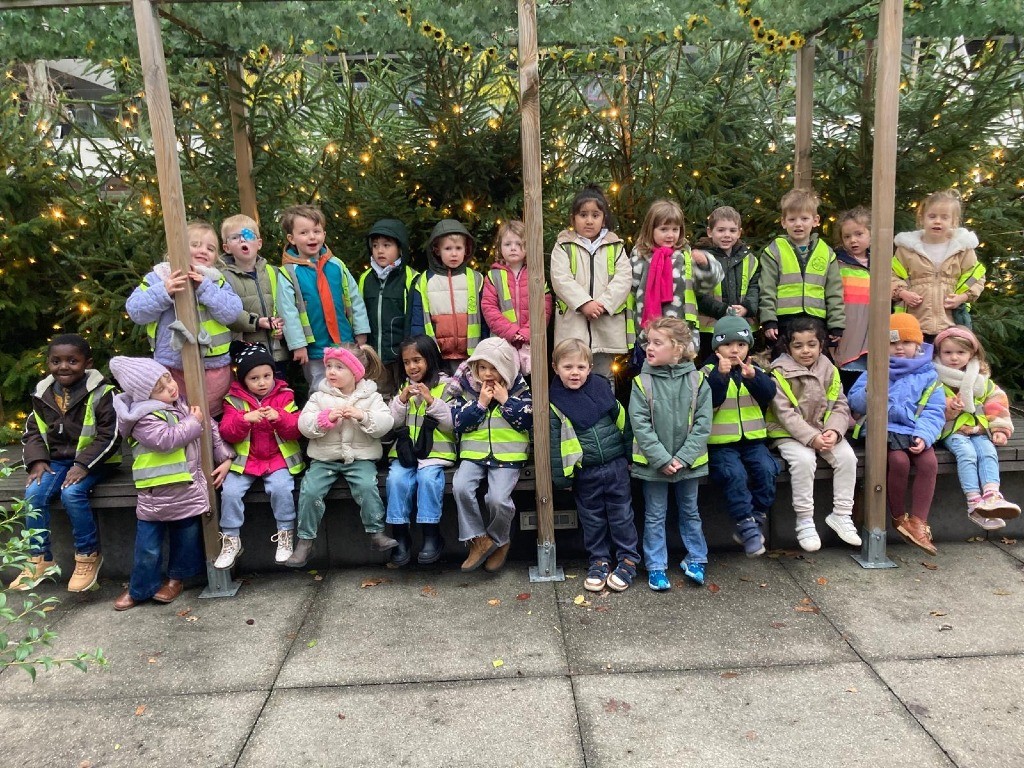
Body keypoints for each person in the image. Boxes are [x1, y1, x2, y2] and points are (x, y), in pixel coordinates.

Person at [108, 356, 233, 610]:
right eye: (161, 388)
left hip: (185, 488)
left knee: (186, 537)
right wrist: (193, 422)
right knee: (147, 546)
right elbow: (166, 439)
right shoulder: (141, 417)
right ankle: (140, 588)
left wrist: (226, 457)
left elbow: (210, 427)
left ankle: (177, 579)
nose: (171, 387)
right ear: (144, 395)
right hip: (155, 492)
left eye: (168, 379)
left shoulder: (181, 404)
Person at [12, 334, 121, 592]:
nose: (63, 367)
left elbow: (110, 435)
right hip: (57, 461)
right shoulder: (43, 394)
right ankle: (40, 558)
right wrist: (37, 460)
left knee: (71, 494)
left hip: (95, 462)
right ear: (48, 363)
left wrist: (82, 465)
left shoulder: (102, 393)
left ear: (87, 363)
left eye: (73, 361)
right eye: (56, 361)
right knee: (34, 493)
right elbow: (33, 431)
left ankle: (88, 555)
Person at [287, 344, 396, 568]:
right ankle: (306, 541)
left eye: (339, 367)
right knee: (310, 490)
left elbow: (385, 424)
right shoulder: (319, 397)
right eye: (328, 366)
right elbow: (304, 425)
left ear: (355, 373)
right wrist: (323, 420)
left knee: (367, 486)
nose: (331, 372)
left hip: (360, 458)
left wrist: (363, 416)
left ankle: (376, 532)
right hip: (324, 459)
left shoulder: (371, 397)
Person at [849, 314, 946, 556]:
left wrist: (924, 435)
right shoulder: (875, 368)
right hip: (884, 430)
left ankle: (919, 522)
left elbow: (934, 411)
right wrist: (871, 387)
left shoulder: (928, 375)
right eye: (892, 343)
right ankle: (899, 517)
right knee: (898, 461)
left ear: (918, 345)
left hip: (914, 430)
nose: (899, 348)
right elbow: (856, 402)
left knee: (929, 463)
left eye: (906, 342)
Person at [549, 338, 640, 592]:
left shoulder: (601, 389)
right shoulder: (555, 402)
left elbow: (623, 423)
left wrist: (629, 457)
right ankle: (599, 560)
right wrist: (563, 479)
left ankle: (628, 560)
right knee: (592, 520)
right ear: (555, 368)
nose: (574, 373)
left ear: (590, 368)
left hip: (615, 465)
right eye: (568, 367)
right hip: (585, 471)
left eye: (580, 367)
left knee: (622, 516)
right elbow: (554, 443)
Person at [126, 220, 243, 417]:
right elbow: (136, 311)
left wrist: (205, 288)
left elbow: (232, 312)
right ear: (176, 247)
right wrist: (164, 291)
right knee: (179, 415)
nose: (203, 250)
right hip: (171, 367)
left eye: (210, 248)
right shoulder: (158, 277)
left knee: (213, 416)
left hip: (214, 366)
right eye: (195, 245)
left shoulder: (216, 280)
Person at [628, 317, 712, 591]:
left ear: (677, 348)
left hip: (689, 464)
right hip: (654, 465)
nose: (649, 348)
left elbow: (703, 424)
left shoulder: (698, 381)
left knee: (690, 512)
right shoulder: (641, 382)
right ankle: (656, 566)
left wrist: (683, 458)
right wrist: (662, 459)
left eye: (657, 342)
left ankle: (697, 558)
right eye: (648, 342)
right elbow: (640, 425)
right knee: (654, 515)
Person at [767, 318, 861, 551]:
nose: (806, 351)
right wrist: (812, 438)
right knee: (804, 460)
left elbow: (839, 404)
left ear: (821, 346)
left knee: (848, 458)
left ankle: (842, 514)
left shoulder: (829, 368)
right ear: (788, 347)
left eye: (812, 344)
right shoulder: (779, 372)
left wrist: (833, 431)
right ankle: (805, 521)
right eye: (798, 346)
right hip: (788, 433)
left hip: (824, 430)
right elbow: (784, 413)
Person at [216, 341, 305, 569]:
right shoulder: (233, 400)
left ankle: (285, 533)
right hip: (245, 461)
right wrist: (244, 419)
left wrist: (280, 417)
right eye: (254, 378)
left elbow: (296, 429)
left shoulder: (285, 396)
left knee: (281, 488)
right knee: (230, 492)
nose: (262, 382)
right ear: (243, 379)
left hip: (277, 459)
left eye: (267, 376)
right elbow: (226, 431)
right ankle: (231, 538)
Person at [451, 337, 532, 573]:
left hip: (509, 456)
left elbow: (527, 421)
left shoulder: (519, 388)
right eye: (482, 367)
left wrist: (506, 400)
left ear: (505, 368)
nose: (487, 374)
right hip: (473, 453)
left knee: (497, 499)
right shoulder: (466, 388)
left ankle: (500, 540)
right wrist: (480, 404)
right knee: (461, 486)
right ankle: (478, 539)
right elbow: (458, 423)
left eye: (494, 368)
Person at [702, 314, 779, 558]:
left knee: (768, 469)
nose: (735, 350)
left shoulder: (755, 370)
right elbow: (708, 401)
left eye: (741, 344)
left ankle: (755, 520)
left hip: (754, 440)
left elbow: (769, 395)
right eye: (728, 344)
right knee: (733, 474)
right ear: (717, 348)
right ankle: (746, 524)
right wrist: (720, 377)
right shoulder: (707, 371)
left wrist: (755, 378)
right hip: (721, 443)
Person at [932, 325, 1020, 529]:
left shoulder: (980, 378)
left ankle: (992, 495)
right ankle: (974, 502)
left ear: (972, 353)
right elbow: (927, 404)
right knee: (967, 454)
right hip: (951, 429)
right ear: (938, 353)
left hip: (978, 429)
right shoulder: (934, 378)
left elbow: (997, 402)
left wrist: (999, 429)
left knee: (988, 451)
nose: (954, 357)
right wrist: (949, 407)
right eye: (948, 352)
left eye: (960, 352)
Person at [277, 205, 371, 390]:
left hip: (344, 341)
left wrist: (361, 331)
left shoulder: (337, 265)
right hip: (315, 348)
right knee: (320, 387)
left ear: (324, 234)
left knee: (351, 384)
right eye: (304, 232)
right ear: (292, 238)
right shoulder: (289, 273)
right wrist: (298, 345)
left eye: (316, 231)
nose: (312, 237)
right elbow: (288, 311)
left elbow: (354, 299)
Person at [385, 336, 457, 567]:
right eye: (407, 362)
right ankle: (400, 536)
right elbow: (391, 424)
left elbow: (452, 424)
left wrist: (431, 401)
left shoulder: (447, 386)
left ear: (431, 359)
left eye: (417, 360)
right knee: (396, 480)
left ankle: (431, 535)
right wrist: (401, 401)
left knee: (428, 480)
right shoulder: (403, 388)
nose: (412, 367)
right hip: (405, 453)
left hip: (436, 452)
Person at [550, 185, 633, 382]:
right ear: (573, 219)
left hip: (605, 325)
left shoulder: (615, 246)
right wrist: (585, 303)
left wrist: (602, 304)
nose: (589, 221)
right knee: (571, 374)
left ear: (603, 219)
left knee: (603, 377)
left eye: (595, 215)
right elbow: (561, 279)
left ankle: (603, 404)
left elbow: (624, 279)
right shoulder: (563, 246)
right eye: (583, 215)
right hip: (573, 327)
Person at [632, 199, 723, 358]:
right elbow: (630, 289)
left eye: (675, 229)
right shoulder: (639, 257)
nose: (670, 235)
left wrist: (705, 265)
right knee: (651, 370)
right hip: (648, 333)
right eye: (664, 229)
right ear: (650, 229)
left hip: (681, 333)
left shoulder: (685, 257)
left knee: (681, 369)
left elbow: (707, 284)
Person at [892, 189, 986, 341]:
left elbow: (976, 277)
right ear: (922, 218)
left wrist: (962, 297)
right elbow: (891, 275)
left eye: (944, 217)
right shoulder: (906, 249)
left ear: (953, 222)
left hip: (951, 322)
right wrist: (903, 293)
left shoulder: (962, 249)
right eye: (932, 216)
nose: (937, 221)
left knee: (950, 356)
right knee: (914, 356)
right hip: (914, 321)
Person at [758, 188, 845, 350]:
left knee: (814, 360)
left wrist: (836, 324)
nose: (798, 224)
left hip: (816, 320)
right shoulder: (774, 251)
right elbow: (767, 288)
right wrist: (769, 320)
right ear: (783, 222)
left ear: (815, 220)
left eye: (804, 218)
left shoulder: (826, 253)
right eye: (792, 219)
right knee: (783, 360)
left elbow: (834, 291)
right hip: (784, 321)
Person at [409, 219, 486, 374]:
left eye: (458, 248)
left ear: (466, 250)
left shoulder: (476, 279)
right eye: (448, 248)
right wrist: (419, 352)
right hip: (437, 357)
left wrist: (486, 348)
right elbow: (417, 322)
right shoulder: (424, 281)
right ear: (437, 250)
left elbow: (485, 319)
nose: (454, 253)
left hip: (472, 356)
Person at [219, 215, 289, 376]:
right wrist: (257, 322)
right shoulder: (224, 277)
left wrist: (283, 328)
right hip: (247, 356)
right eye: (235, 237)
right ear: (227, 248)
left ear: (259, 243)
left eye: (248, 235)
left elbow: (287, 306)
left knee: (280, 389)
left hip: (277, 352)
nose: (242, 240)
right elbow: (226, 312)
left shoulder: (274, 272)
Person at [481, 219, 552, 376]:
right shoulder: (493, 276)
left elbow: (544, 307)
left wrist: (527, 332)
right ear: (500, 248)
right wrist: (512, 332)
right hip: (503, 341)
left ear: (528, 247)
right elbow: (489, 308)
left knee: (534, 378)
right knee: (505, 377)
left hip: (531, 341)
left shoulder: (536, 275)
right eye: (507, 244)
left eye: (519, 244)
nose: (513, 248)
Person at [358, 218, 418, 398]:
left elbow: (414, 318)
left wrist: (411, 350)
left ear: (400, 248)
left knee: (405, 395)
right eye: (375, 245)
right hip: (375, 355)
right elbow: (360, 315)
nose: (380, 250)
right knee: (379, 396)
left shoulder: (411, 278)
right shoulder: (365, 278)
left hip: (402, 355)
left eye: (386, 245)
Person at [694, 205, 759, 361]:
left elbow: (755, 288)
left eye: (732, 230)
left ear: (739, 233)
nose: (727, 235)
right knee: (712, 368)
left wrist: (747, 308)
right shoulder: (701, 258)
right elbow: (697, 293)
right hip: (711, 328)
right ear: (710, 232)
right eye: (721, 230)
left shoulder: (749, 259)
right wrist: (723, 310)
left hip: (743, 326)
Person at [834, 207, 872, 391]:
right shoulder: (838, 264)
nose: (853, 240)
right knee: (849, 372)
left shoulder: (881, 262)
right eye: (847, 236)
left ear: (871, 234)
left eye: (859, 234)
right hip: (850, 325)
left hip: (873, 326)